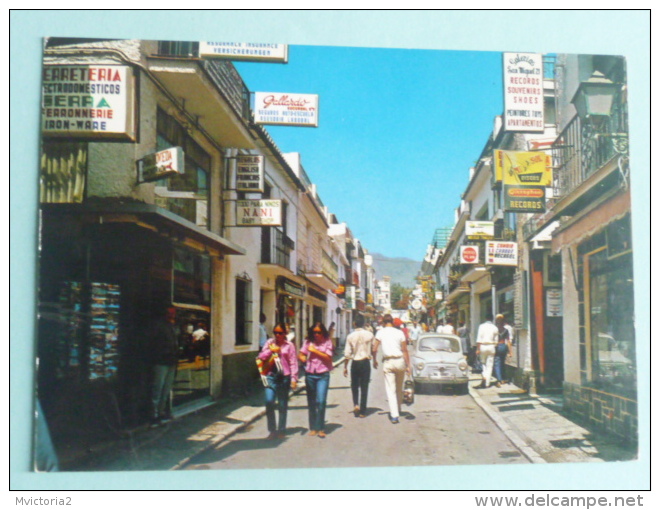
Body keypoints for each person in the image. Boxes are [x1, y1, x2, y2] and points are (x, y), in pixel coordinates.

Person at [256, 322, 299, 440]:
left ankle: (281, 429)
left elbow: (293, 362)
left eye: (280, 333)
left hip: (283, 376)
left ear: (285, 333)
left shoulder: (289, 345)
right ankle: (272, 430)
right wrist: (272, 351)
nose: (278, 335)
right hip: (270, 375)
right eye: (275, 333)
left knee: (282, 404)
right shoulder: (270, 343)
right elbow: (261, 357)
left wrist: (294, 378)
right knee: (269, 401)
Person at [372, 313, 411, 424]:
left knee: (391, 389)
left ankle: (394, 415)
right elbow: (404, 350)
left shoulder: (380, 332)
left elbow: (374, 348)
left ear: (384, 322)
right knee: (399, 387)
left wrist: (374, 360)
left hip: (388, 362)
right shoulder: (399, 333)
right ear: (393, 322)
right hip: (400, 361)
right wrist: (408, 366)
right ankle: (398, 408)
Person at [299, 322, 334, 437]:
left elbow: (328, 358)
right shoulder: (308, 342)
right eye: (314, 332)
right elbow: (301, 354)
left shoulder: (327, 342)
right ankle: (313, 427)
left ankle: (321, 428)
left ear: (323, 332)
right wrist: (303, 359)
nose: (316, 334)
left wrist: (314, 351)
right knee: (312, 402)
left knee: (321, 401)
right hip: (310, 374)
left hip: (322, 374)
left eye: (319, 332)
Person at [150, 306, 179, 425]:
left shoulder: (173, 326)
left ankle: (161, 412)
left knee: (166, 389)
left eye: (173, 313)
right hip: (161, 361)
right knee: (158, 388)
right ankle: (154, 414)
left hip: (171, 361)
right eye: (169, 313)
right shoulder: (159, 326)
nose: (172, 315)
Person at [343, 315, 376, 418]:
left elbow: (347, 353)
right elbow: (374, 349)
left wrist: (345, 367)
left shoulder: (350, 336)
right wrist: (374, 360)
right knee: (364, 386)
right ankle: (363, 411)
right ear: (363, 324)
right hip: (365, 362)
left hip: (355, 362)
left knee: (354, 385)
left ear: (354, 324)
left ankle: (356, 404)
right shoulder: (369, 335)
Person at [475, 313, 499, 389]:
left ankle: (484, 376)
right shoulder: (495, 328)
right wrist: (493, 346)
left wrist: (478, 349)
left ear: (485, 318)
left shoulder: (481, 326)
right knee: (490, 365)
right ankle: (487, 383)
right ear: (492, 319)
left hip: (483, 346)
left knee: (483, 363)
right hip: (491, 346)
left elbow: (479, 339)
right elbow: (496, 340)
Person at [494, 314, 512, 387]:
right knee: (502, 362)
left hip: (497, 346)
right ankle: (503, 378)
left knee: (497, 363)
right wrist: (510, 352)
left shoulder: (495, 329)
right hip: (503, 346)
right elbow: (508, 341)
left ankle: (499, 379)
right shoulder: (505, 330)